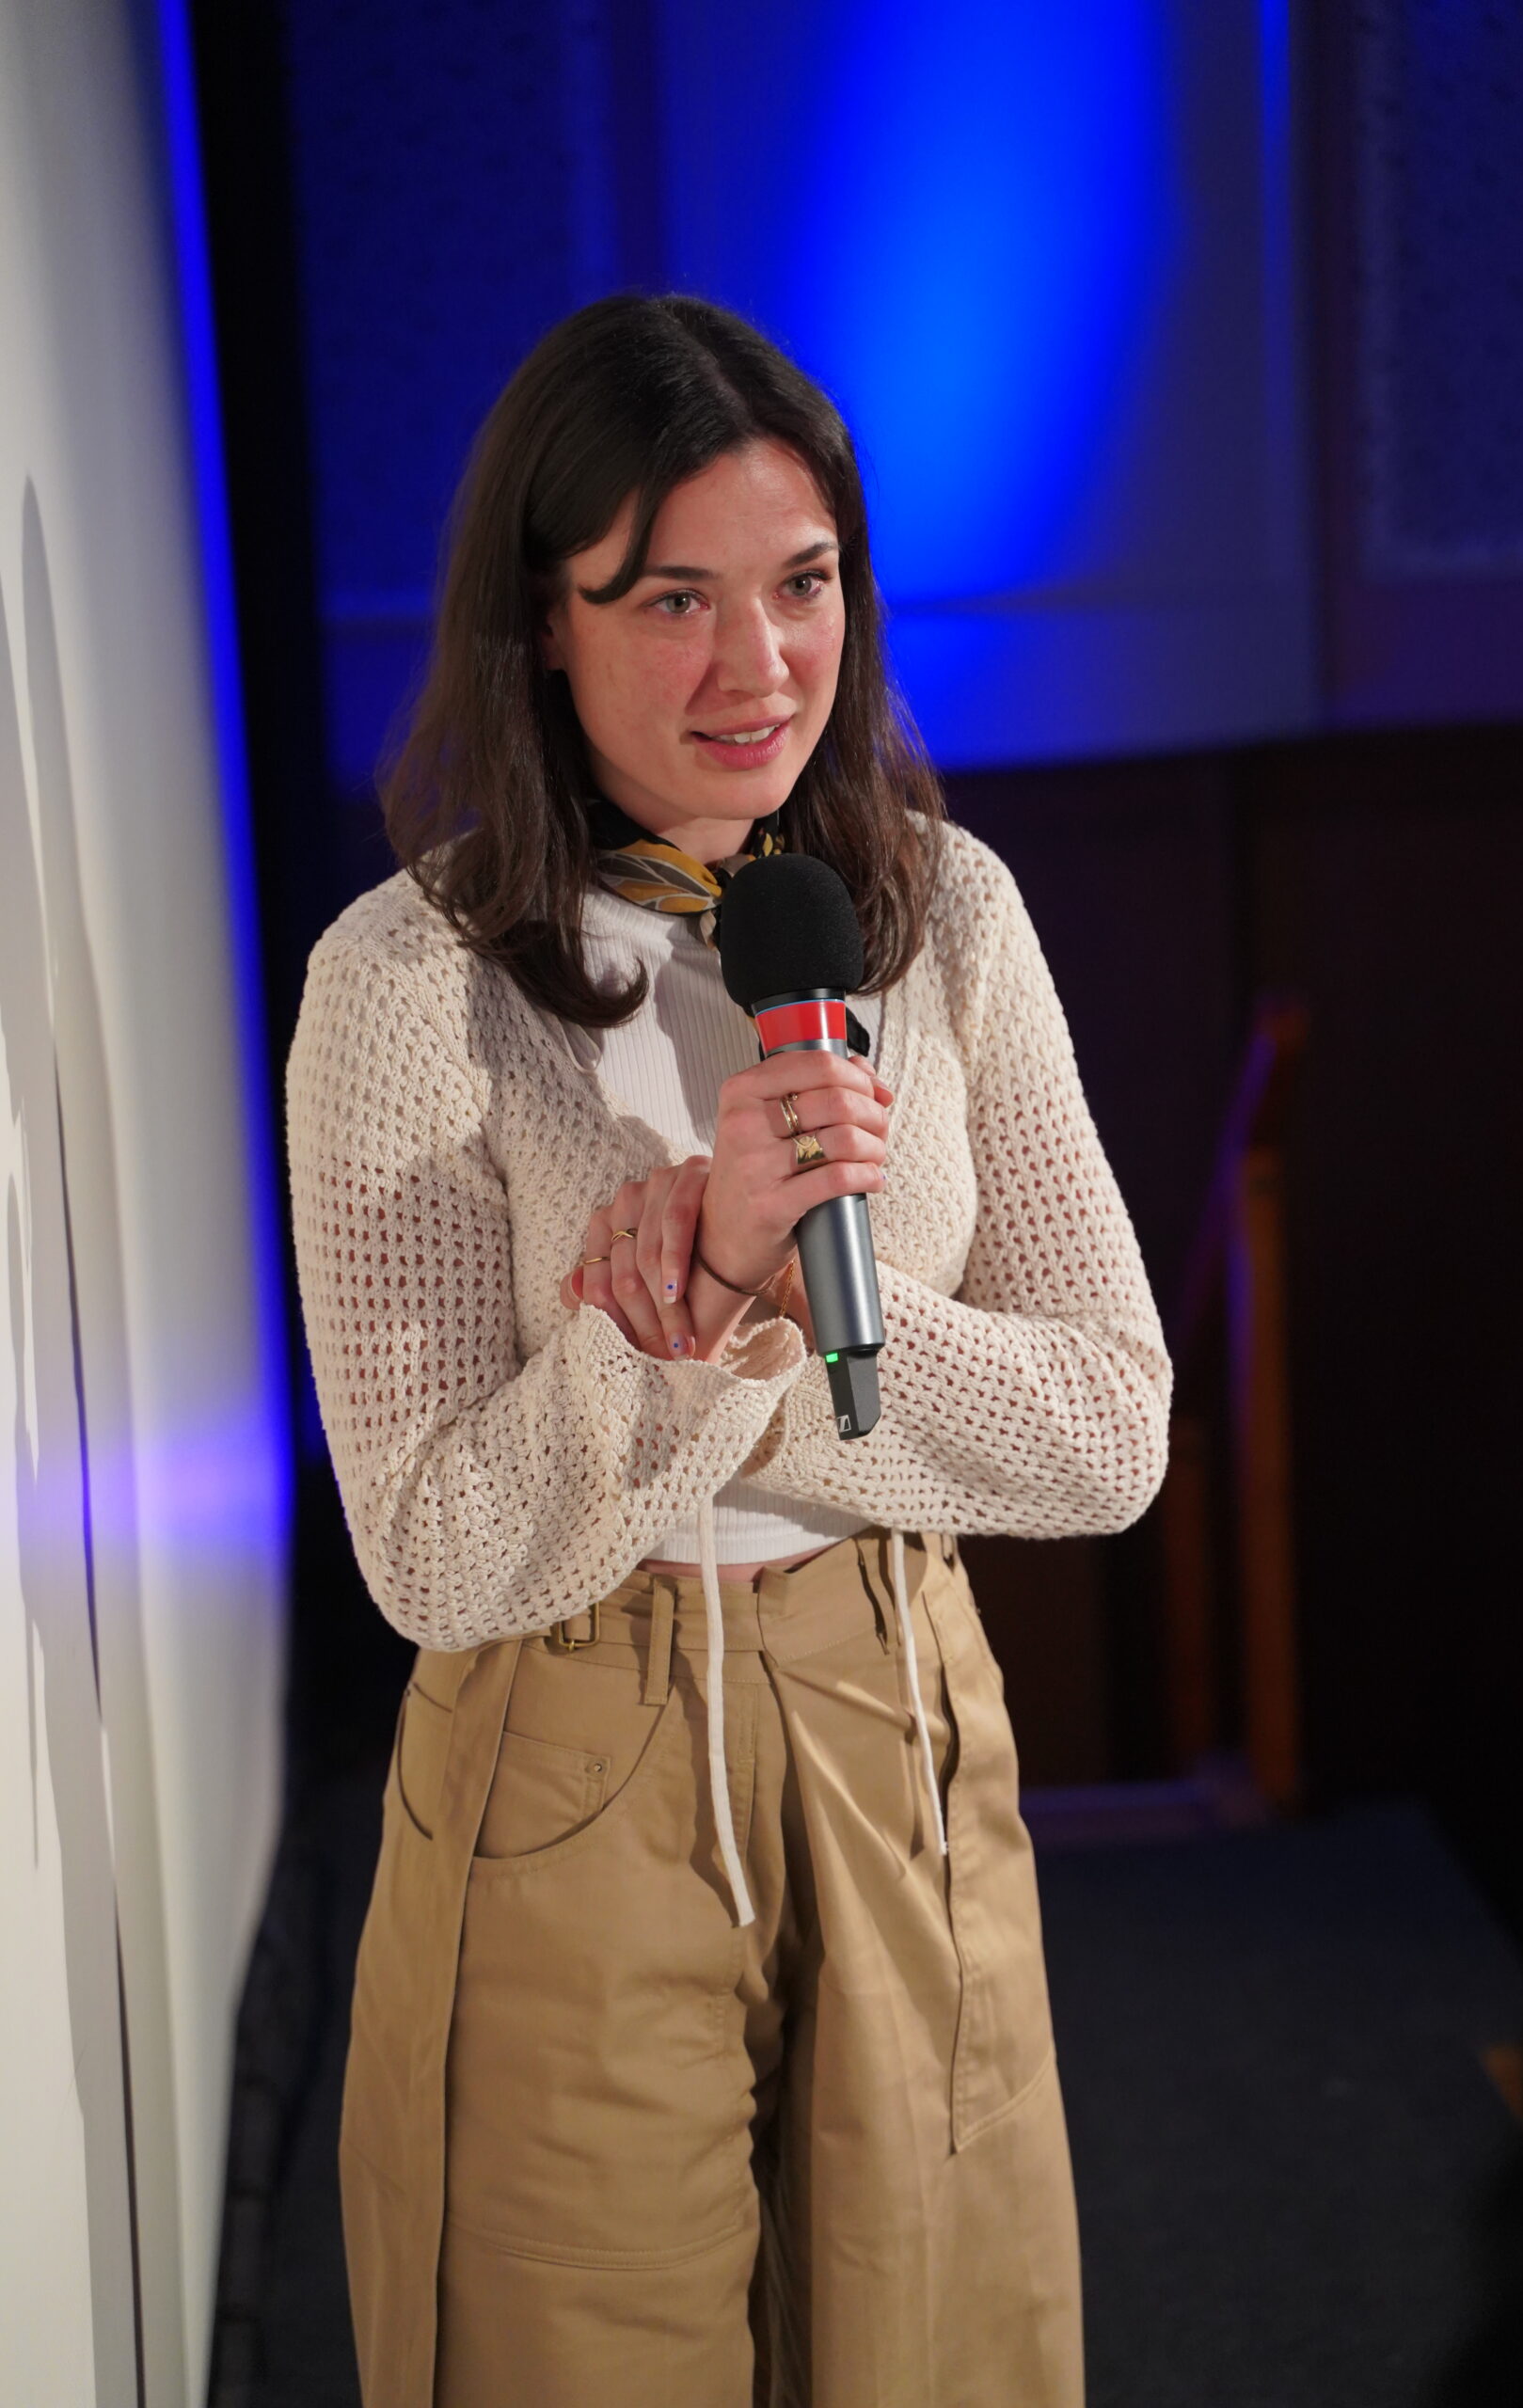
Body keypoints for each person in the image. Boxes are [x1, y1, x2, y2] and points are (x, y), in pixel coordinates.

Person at [285, 292, 1171, 2408]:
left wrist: (780, 1305)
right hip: (568, 1740)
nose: (757, 662)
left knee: (941, 2352)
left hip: (897, 1704)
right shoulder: (408, 979)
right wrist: (668, 1339)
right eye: (671, 597)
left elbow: (1112, 1427)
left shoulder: (946, 913)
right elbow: (428, 1552)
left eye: (801, 583)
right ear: (545, 615)